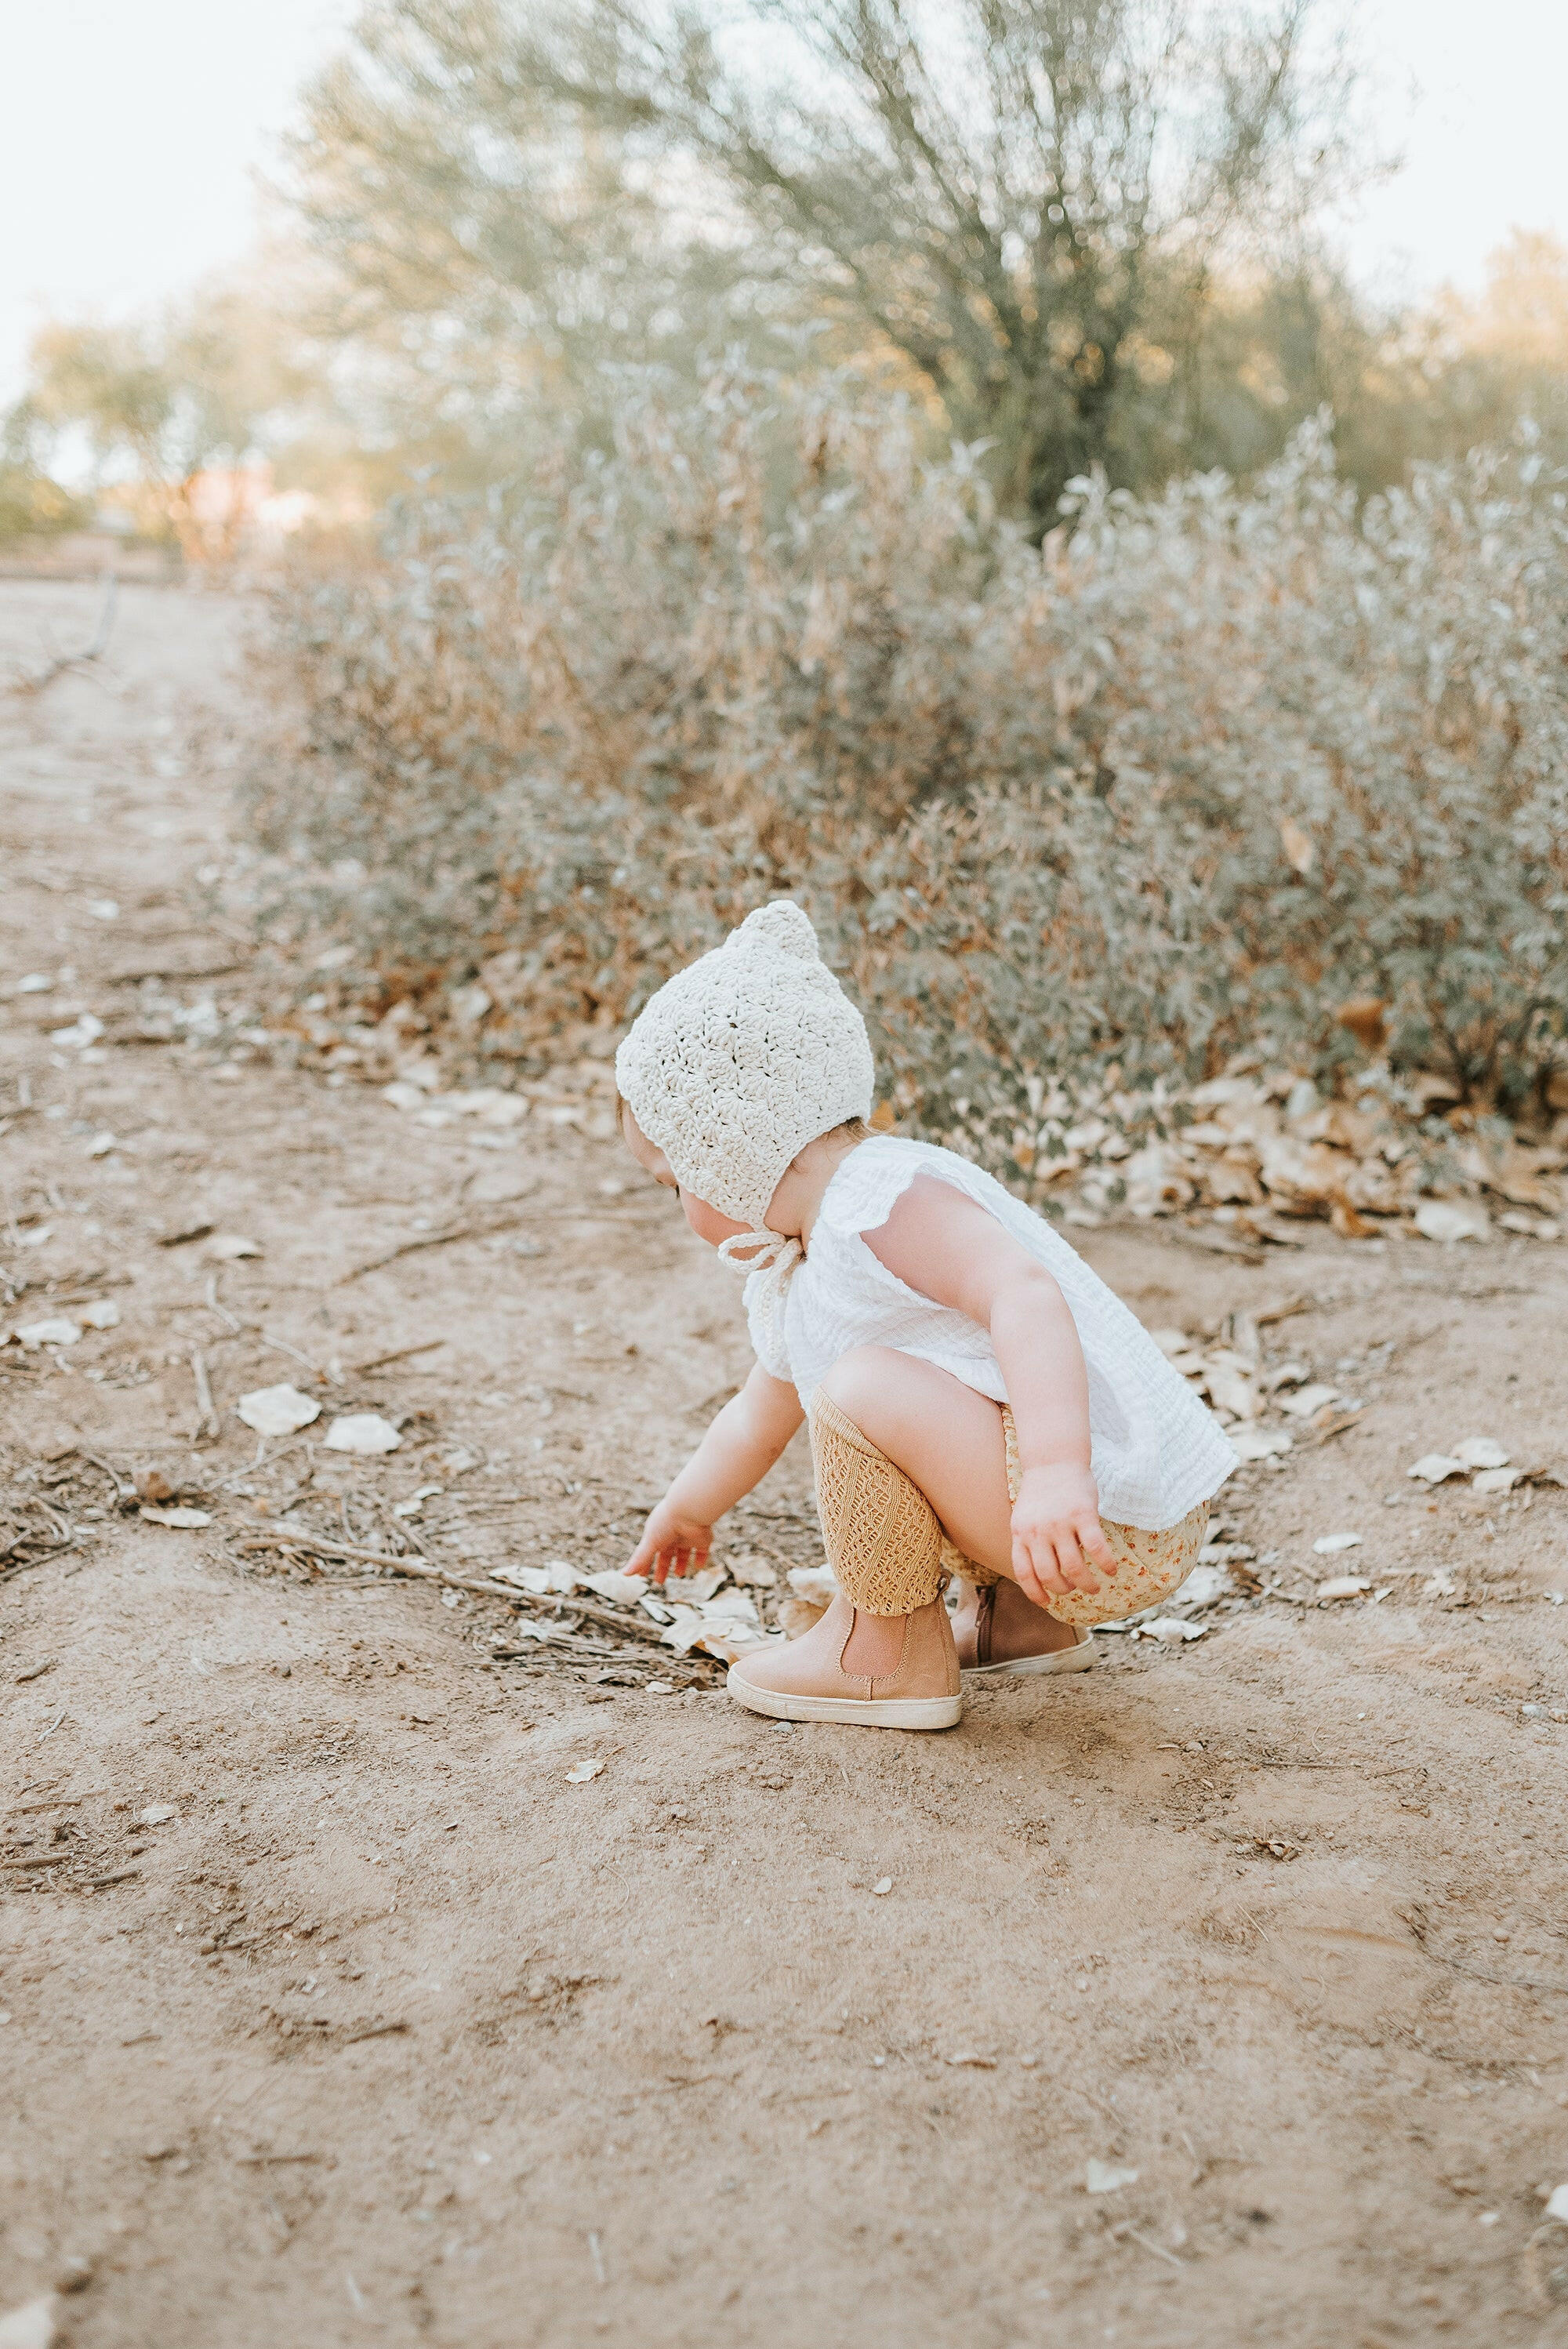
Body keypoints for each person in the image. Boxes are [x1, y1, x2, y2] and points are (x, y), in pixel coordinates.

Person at [616, 900, 1236, 1729]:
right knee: (890, 1380)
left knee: (863, 1385)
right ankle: (1019, 1623)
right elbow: (756, 1416)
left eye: (673, 1182)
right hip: (1064, 1542)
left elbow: (1020, 1292)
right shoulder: (802, 1266)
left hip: (1101, 1515)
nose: (679, 1208)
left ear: (732, 1150)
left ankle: (882, 1655)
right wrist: (688, 1508)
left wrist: (1057, 1471)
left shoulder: (875, 1198)